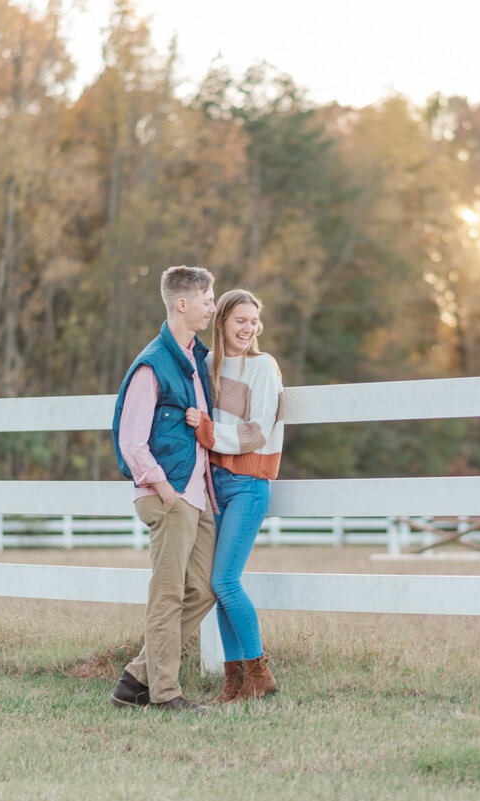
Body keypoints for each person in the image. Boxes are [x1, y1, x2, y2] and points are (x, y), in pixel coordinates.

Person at [108, 265, 219, 713]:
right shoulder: (152, 364)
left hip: (197, 494)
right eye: (208, 300)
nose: (213, 307)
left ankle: (136, 677)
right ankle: (165, 693)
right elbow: (131, 441)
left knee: (208, 587)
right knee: (168, 593)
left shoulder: (195, 360)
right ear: (182, 303)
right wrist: (165, 490)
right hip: (169, 495)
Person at [186, 289, 285, 704]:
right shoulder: (208, 365)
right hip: (216, 484)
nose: (247, 328)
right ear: (221, 321)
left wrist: (209, 432)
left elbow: (258, 430)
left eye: (252, 321)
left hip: (249, 483)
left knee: (224, 580)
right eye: (239, 320)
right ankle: (234, 681)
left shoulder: (264, 368)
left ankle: (259, 675)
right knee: (218, 584)